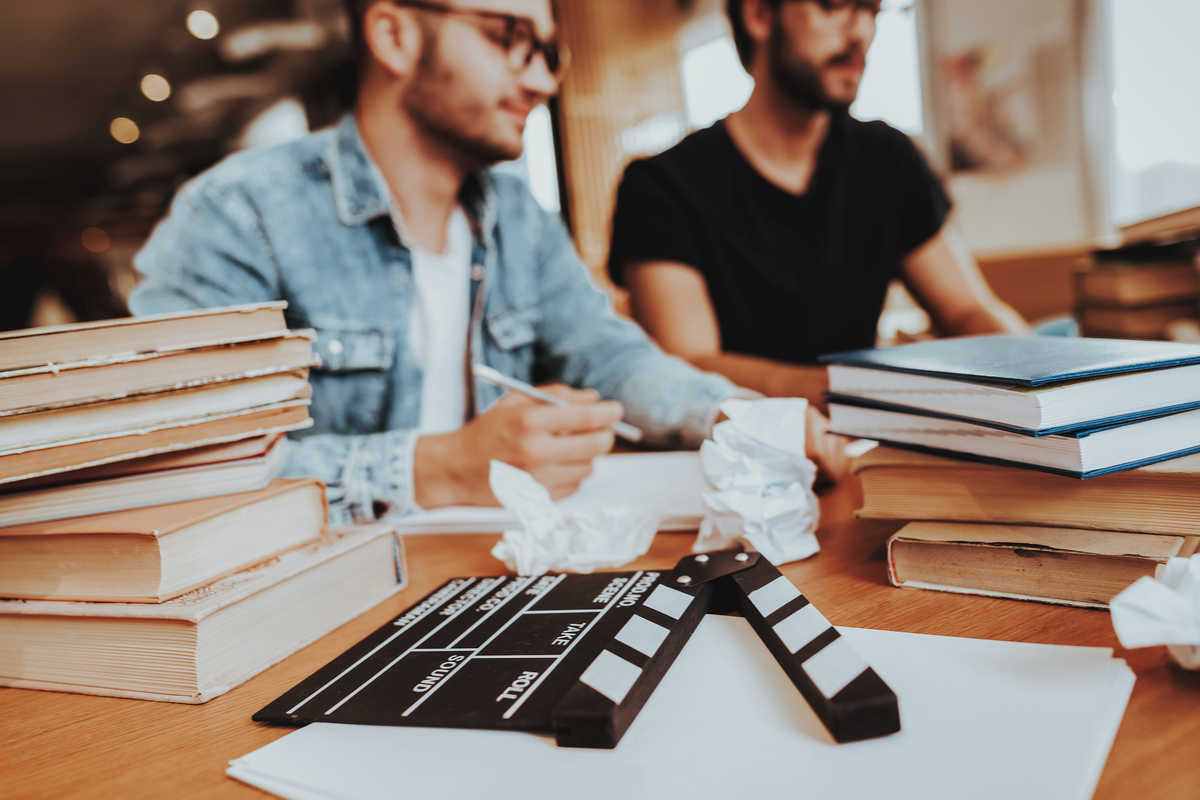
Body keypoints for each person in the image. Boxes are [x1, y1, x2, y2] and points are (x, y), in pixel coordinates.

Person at [130, 0, 779, 524]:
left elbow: (609, 358)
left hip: (492, 583)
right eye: (508, 37)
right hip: (321, 610)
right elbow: (181, 461)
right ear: (394, 35)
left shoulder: (519, 217)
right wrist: (433, 467)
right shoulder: (238, 213)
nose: (542, 80)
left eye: (549, 53)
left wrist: (744, 421)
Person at [607, 0, 1029, 406]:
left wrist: (1045, 376)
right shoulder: (661, 187)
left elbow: (967, 309)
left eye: (872, 9)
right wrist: (870, 390)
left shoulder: (887, 159)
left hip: (860, 449)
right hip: (734, 458)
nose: (862, 30)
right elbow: (690, 367)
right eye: (835, 5)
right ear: (758, 13)